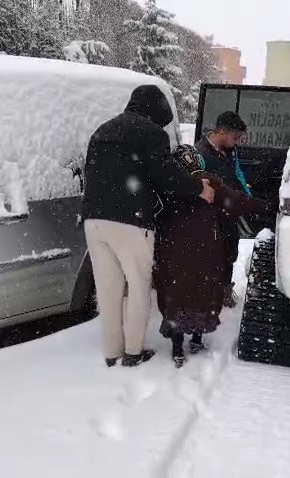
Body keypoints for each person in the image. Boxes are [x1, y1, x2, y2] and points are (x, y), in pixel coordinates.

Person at [82, 84, 215, 368]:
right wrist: (197, 187)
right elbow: (165, 174)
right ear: (156, 110)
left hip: (93, 220)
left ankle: (111, 351)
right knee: (139, 286)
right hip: (131, 221)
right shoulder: (151, 133)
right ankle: (133, 352)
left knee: (108, 289)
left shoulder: (102, 130)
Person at [154, 144, 266, 368]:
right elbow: (234, 202)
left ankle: (177, 345)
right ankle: (196, 338)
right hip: (206, 251)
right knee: (202, 293)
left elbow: (155, 212)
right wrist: (262, 206)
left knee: (175, 294)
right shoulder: (210, 183)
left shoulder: (168, 185)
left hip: (172, 251)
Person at [195, 111, 251, 308]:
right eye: (235, 138)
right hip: (208, 216)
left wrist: (245, 197)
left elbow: (237, 174)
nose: (237, 143)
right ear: (223, 132)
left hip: (228, 214)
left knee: (230, 251)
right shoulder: (199, 154)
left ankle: (224, 288)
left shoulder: (230, 151)